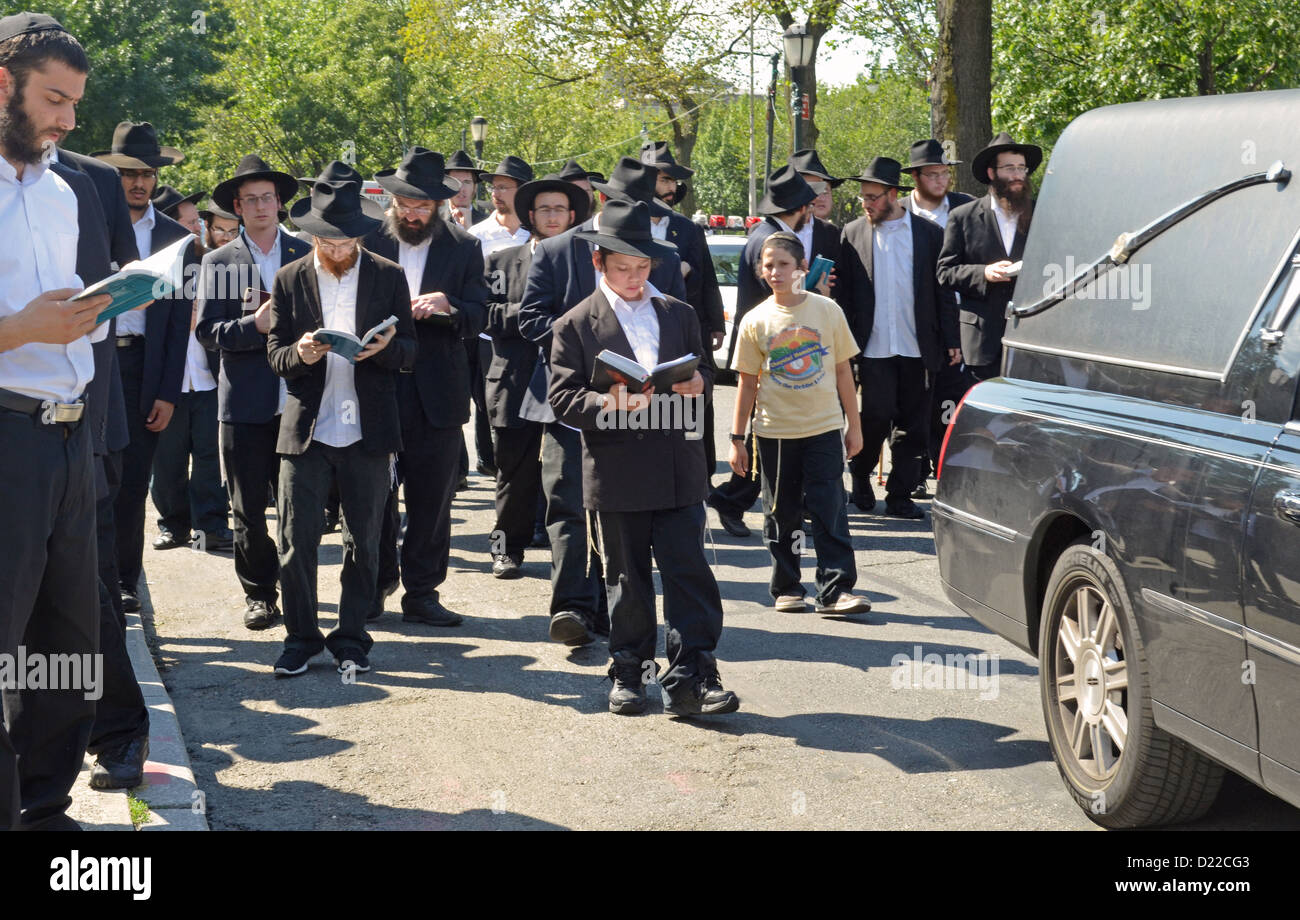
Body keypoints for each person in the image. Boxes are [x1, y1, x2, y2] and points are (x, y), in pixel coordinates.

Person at [549, 199, 740, 717]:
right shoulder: (574, 324)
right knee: (627, 576)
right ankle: (629, 671)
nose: (633, 278)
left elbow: (697, 381)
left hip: (678, 466)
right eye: (622, 269)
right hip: (615, 468)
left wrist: (699, 384)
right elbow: (562, 400)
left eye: (641, 268)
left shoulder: (678, 314)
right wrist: (611, 400)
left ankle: (692, 676)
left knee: (689, 571)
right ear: (599, 264)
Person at [0, 11, 116, 829]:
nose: (68, 121)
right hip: (4, 434)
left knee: (69, 640)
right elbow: (25, 325)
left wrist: (102, 307)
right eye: (54, 99)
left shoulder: (66, 191)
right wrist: (20, 330)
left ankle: (45, 806)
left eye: (74, 104)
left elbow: (69, 311)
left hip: (71, 434)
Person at [518, 157, 688, 646]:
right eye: (620, 202)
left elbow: (679, 326)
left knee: (628, 517)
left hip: (643, 413)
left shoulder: (666, 258)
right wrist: (584, 344)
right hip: (571, 405)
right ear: (600, 199)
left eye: (640, 206)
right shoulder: (554, 250)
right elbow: (530, 320)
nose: (628, 212)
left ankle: (621, 615)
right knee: (568, 505)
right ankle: (572, 606)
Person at [266, 162, 416, 676]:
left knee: (366, 538)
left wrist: (383, 350)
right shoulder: (288, 278)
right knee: (295, 538)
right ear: (312, 236)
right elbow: (275, 355)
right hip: (306, 427)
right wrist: (302, 354)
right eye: (327, 241)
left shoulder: (388, 275)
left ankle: (352, 636)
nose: (336, 250)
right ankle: (300, 637)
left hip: (367, 428)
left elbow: (411, 351)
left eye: (346, 240)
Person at [364, 148, 487, 625]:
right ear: (392, 201)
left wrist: (448, 304)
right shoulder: (369, 241)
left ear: (438, 206)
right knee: (373, 493)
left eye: (423, 207)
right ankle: (374, 583)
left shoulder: (463, 246)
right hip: (378, 383)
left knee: (432, 497)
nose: (413, 214)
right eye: (405, 205)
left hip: (438, 389)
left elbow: (481, 314)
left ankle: (422, 591)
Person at [196, 154, 311, 629]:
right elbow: (207, 331)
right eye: (251, 200)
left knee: (298, 506)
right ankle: (260, 594)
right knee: (247, 506)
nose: (261, 206)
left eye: (268, 197)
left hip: (299, 400)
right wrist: (254, 325)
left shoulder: (305, 253)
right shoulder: (218, 261)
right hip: (243, 402)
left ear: (280, 203)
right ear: (237, 209)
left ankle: (300, 590)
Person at [729, 231, 870, 613]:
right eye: (768, 264)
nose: (775, 271)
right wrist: (737, 438)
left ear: (802, 268)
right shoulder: (754, 320)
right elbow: (747, 381)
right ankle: (787, 587)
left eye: (783, 264)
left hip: (823, 428)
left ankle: (837, 589)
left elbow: (844, 371)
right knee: (781, 513)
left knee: (830, 509)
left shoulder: (828, 310)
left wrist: (853, 427)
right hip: (774, 432)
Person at [93, 121, 197, 613]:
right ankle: (89, 582)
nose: (138, 181)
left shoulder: (178, 237)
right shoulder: (89, 220)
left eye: (147, 173)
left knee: (134, 483)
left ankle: (125, 582)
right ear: (113, 174)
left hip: (142, 367)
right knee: (91, 478)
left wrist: (167, 392)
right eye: (129, 172)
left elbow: (179, 324)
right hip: (92, 364)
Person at [707, 165, 835, 538]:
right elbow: (784, 298)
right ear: (800, 207)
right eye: (807, 206)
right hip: (768, 349)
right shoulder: (771, 240)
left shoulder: (765, 234)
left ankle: (749, 499)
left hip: (769, 348)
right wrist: (817, 293)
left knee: (770, 441)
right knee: (766, 441)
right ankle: (733, 499)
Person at [836, 156, 958, 519]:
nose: (866, 203)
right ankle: (860, 476)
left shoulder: (929, 234)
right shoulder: (853, 232)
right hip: (872, 347)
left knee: (913, 423)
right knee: (874, 416)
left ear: (893, 194)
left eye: (872, 197)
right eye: (863, 197)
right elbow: (844, 296)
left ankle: (900, 493)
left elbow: (942, 292)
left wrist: (951, 338)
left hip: (918, 345)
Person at [483, 173, 588, 579]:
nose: (552, 216)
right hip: (517, 377)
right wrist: (538, 321)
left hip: (571, 382)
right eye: (544, 208)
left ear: (572, 214)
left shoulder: (587, 262)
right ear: (529, 214)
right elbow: (485, 315)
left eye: (560, 208)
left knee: (570, 474)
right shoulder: (501, 261)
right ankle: (504, 549)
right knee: (512, 470)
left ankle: (574, 559)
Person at [149, 184, 231, 553]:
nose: (196, 227)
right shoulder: (152, 269)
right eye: (188, 222)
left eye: (198, 221)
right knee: (167, 459)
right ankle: (173, 525)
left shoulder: (214, 264)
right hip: (167, 381)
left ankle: (211, 526)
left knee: (210, 457)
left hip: (209, 377)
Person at [641, 140, 726, 479]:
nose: (671, 188)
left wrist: (716, 324)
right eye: (664, 179)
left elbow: (706, 276)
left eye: (673, 181)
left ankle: (701, 477)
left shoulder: (687, 227)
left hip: (687, 329)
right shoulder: (628, 223)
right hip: (641, 328)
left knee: (696, 405)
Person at [937, 132, 1041, 381]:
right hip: (982, 340)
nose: (1017, 175)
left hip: (1030, 337)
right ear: (992, 173)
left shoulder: (1041, 213)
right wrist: (983, 273)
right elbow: (945, 271)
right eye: (1009, 168)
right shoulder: (963, 217)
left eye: (1021, 168)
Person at [902, 138, 974, 496]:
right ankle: (911, 470)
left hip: (959, 312)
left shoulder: (966, 208)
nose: (941, 180)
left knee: (949, 393)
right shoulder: (898, 211)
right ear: (915, 176)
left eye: (945, 173)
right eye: (933, 174)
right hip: (911, 315)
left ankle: (942, 462)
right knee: (913, 397)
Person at [789, 147, 844, 225]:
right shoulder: (776, 234)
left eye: (825, 191)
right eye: (812, 190)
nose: (819, 198)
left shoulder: (838, 235)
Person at [445, 148, 486, 229]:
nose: (461, 188)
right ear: (446, 186)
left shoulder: (487, 223)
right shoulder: (434, 222)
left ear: (475, 187)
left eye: (467, 182)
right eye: (455, 182)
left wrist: (469, 229)